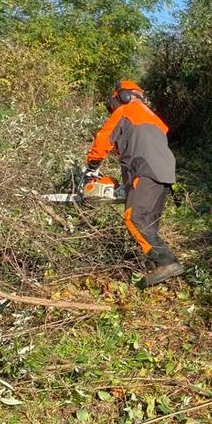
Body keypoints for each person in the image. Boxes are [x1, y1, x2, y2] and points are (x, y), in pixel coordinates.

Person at [86, 80, 184, 287]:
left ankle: (167, 262)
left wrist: (92, 166)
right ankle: (156, 269)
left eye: (113, 103)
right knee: (148, 224)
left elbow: (103, 138)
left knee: (134, 218)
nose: (113, 108)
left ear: (123, 96)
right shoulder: (155, 120)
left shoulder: (125, 112)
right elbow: (138, 146)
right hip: (165, 174)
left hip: (145, 171)